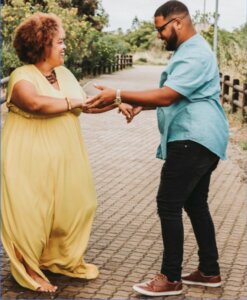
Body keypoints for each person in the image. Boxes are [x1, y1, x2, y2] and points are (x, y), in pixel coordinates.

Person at [86, 0, 229, 297]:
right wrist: (140, 104)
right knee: (194, 203)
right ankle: (209, 271)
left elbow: (168, 95)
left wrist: (120, 92)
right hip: (204, 138)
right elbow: (179, 96)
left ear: (177, 22)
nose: (159, 36)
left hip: (193, 138)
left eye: (161, 29)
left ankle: (170, 278)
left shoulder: (195, 53)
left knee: (168, 203)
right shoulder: (189, 51)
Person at [1, 12, 132, 292]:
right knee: (31, 215)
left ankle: (57, 260)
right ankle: (29, 271)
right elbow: (36, 104)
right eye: (59, 42)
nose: (64, 47)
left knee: (78, 206)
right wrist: (77, 101)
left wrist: (119, 101)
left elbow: (87, 105)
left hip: (66, 156)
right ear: (42, 43)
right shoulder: (21, 77)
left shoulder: (64, 74)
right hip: (28, 158)